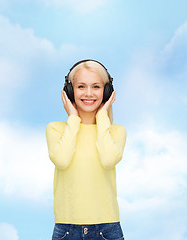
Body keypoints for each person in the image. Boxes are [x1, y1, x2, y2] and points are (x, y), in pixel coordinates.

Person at [46, 59, 127, 240]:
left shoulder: (115, 132)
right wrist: (73, 119)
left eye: (96, 87)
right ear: (69, 91)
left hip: (107, 229)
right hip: (66, 230)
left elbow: (107, 160)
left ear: (107, 92)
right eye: (81, 86)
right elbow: (62, 160)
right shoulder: (56, 129)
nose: (88, 93)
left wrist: (103, 117)